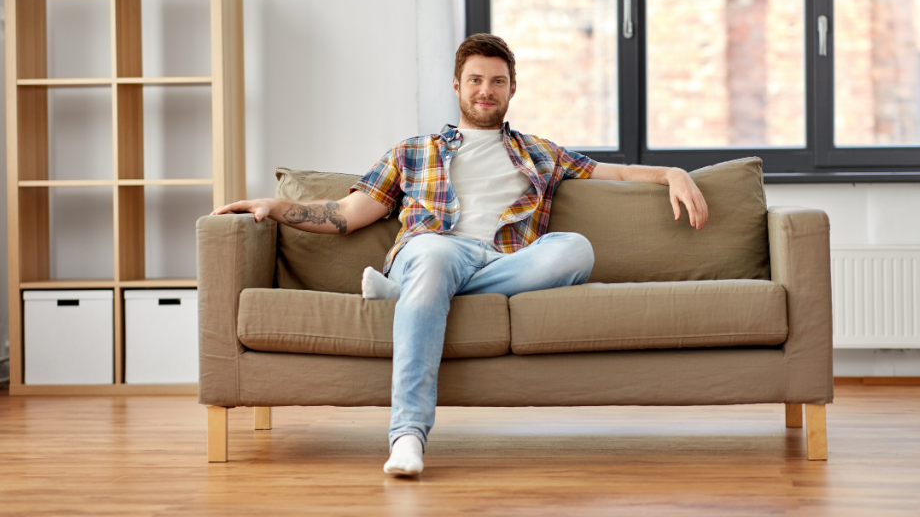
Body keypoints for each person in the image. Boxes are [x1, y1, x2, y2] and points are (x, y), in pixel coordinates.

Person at [211, 34, 708, 476]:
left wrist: (672, 174)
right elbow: (346, 214)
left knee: (574, 248)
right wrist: (277, 206)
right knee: (432, 257)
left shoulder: (541, 152)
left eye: (497, 80)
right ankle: (408, 436)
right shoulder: (413, 151)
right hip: (434, 249)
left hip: (507, 261)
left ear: (513, 89)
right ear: (456, 86)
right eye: (475, 80)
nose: (485, 90)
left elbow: (614, 174)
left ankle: (405, 296)